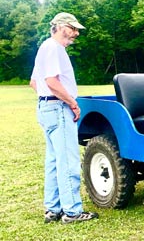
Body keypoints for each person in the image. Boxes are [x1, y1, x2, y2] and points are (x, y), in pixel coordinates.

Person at [30, 12, 99, 224]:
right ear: (60, 27)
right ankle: (72, 212)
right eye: (73, 28)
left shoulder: (44, 47)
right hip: (58, 107)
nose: (76, 33)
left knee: (53, 160)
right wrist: (71, 102)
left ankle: (53, 209)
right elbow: (51, 81)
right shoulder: (54, 48)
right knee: (68, 160)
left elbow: (34, 82)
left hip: (46, 107)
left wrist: (48, 100)